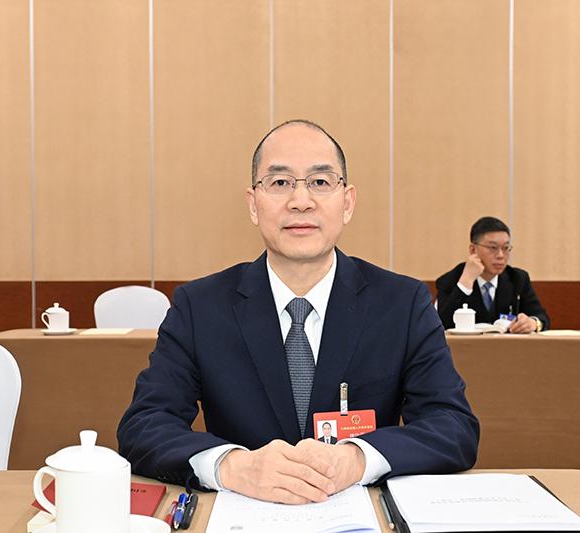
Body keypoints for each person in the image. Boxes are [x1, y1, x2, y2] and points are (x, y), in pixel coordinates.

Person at [118, 119, 479, 505]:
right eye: (280, 182)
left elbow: (453, 426)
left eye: (320, 182)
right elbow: (144, 426)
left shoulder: (402, 303)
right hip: (243, 517)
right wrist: (234, 467)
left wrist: (357, 459)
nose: (301, 201)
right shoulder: (200, 306)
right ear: (254, 205)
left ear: (347, 202)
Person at [435, 217, 549, 333]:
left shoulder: (518, 278)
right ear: (473, 250)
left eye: (505, 248)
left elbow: (541, 317)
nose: (500, 255)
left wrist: (533, 323)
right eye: (493, 248)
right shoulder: (451, 279)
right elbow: (440, 324)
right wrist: (465, 283)